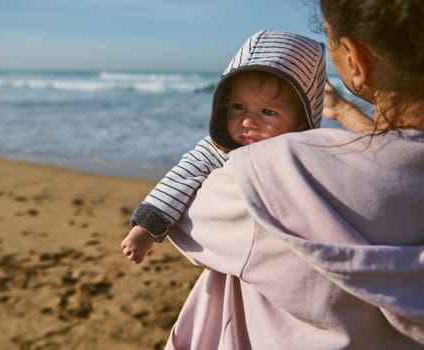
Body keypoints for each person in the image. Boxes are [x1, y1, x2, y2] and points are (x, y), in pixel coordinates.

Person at [163, 0, 424, 349]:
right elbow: (395, 155)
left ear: (354, 58)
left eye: (330, 38)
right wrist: (345, 114)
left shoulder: (270, 175)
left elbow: (187, 218)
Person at [121, 29, 327, 263]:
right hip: (231, 264)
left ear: (302, 119)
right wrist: (147, 228)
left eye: (268, 112)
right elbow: (181, 178)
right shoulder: (218, 150)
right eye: (238, 107)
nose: (248, 122)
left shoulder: (311, 159)